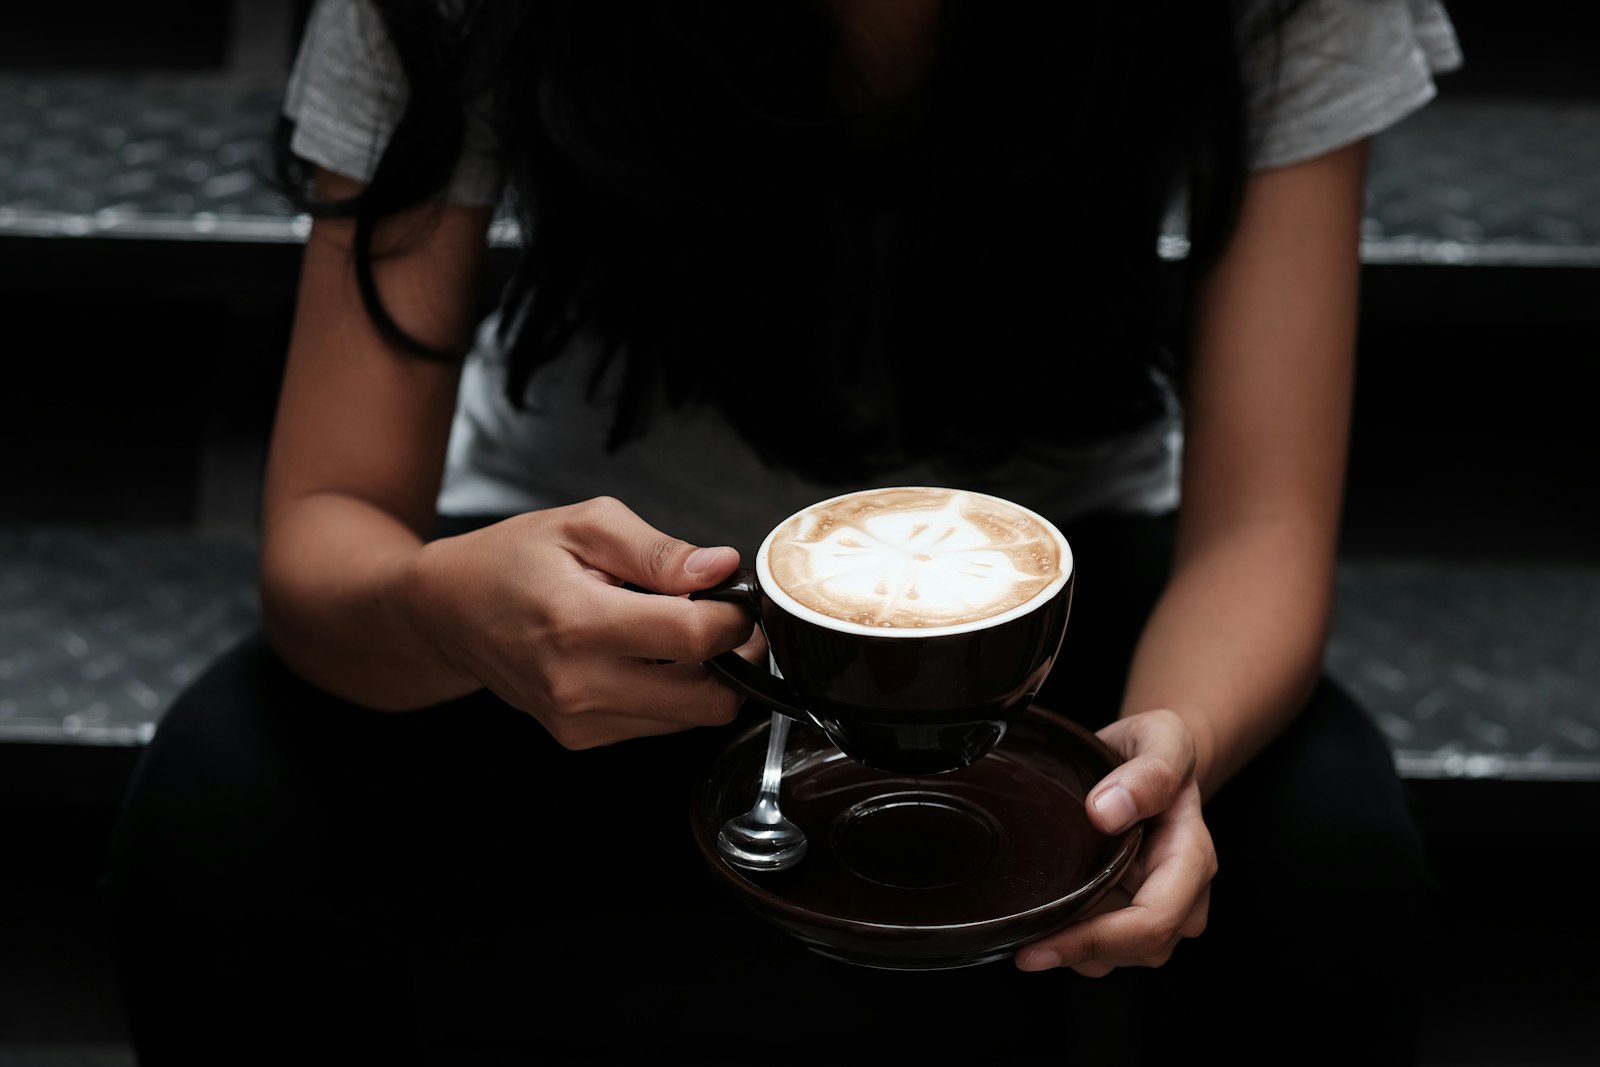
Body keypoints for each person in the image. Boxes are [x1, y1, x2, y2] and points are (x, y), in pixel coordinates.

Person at [104, 1, 1462, 1063]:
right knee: (225, 796)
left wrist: (1174, 758)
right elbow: (329, 526)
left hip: (1051, 600)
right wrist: (442, 613)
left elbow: (1264, 525)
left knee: (1330, 850)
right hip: (609, 579)